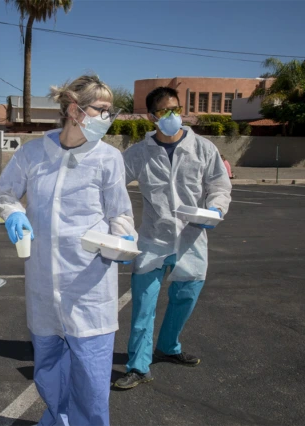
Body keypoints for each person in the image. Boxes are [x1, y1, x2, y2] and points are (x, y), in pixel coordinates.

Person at [0, 75, 136, 426]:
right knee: (48, 368)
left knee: (91, 377)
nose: (109, 117)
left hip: (89, 284)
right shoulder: (32, 153)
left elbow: (120, 213)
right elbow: (5, 193)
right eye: (102, 109)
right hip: (43, 282)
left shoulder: (108, 158)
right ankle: (57, 419)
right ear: (75, 110)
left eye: (109, 110)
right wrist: (13, 213)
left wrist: (123, 240)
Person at [114, 87, 232, 390]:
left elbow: (218, 184)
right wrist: (119, 222)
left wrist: (216, 207)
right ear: (152, 116)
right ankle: (138, 366)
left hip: (192, 240)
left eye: (176, 109)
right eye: (165, 111)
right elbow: (111, 185)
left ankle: (168, 346)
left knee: (185, 299)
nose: (173, 116)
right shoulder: (139, 153)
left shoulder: (202, 148)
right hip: (153, 241)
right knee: (144, 305)